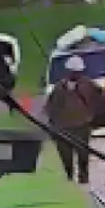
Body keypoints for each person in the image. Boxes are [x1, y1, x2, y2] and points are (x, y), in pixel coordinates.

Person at [43, 55, 100, 185]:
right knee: (66, 156)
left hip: (82, 125)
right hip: (64, 128)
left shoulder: (89, 84)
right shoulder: (59, 87)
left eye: (78, 71)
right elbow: (51, 107)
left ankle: (83, 178)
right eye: (73, 71)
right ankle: (69, 178)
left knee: (83, 155)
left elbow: (99, 99)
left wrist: (94, 116)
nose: (75, 74)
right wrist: (52, 125)